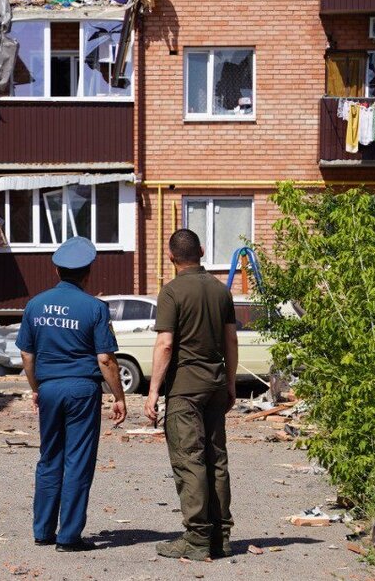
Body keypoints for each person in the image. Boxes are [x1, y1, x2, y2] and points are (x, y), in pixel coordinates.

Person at [16, 236, 127, 552]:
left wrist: (37, 388)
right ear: (88, 271)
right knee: (77, 460)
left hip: (49, 388)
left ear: (56, 270)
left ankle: (43, 531)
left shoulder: (35, 305)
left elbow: (27, 355)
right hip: (81, 390)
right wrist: (119, 396)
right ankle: (68, 537)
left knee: (50, 457)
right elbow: (105, 358)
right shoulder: (94, 307)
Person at [144, 229, 238, 560]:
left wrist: (153, 391)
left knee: (189, 460)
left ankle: (197, 540)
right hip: (214, 386)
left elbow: (166, 343)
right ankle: (221, 537)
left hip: (185, 389)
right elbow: (231, 340)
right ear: (201, 250)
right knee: (217, 459)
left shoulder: (171, 292)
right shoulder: (220, 290)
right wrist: (230, 383)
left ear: (171, 257)